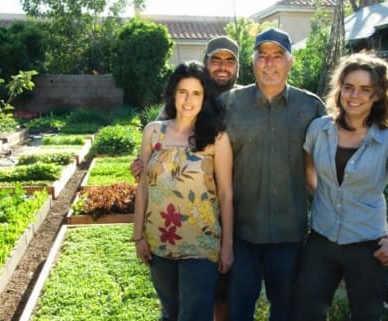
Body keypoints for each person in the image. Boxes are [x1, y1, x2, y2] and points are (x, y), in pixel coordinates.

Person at [292, 53, 388, 321]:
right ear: (340, 89)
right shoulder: (319, 130)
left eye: (365, 90)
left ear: (377, 96)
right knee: (305, 313)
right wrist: (328, 198)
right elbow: (308, 170)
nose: (354, 95)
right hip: (321, 241)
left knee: (366, 316)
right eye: (349, 87)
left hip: (367, 246)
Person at [220, 28, 326, 321]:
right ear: (252, 62)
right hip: (241, 233)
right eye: (262, 56)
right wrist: (152, 150)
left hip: (289, 234)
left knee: (285, 311)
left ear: (290, 62)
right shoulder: (229, 104)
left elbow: (345, 138)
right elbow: (187, 123)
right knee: (239, 311)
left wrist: (384, 129)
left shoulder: (311, 107)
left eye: (277, 56)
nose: (269, 63)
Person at [132, 35, 240, 321]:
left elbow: (227, 194)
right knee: (170, 312)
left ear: (205, 98)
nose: (188, 100)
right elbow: (143, 187)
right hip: (159, 241)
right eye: (182, 92)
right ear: (172, 94)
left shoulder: (216, 138)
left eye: (196, 93)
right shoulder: (152, 132)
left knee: (194, 314)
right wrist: (138, 236)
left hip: (201, 244)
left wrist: (226, 246)